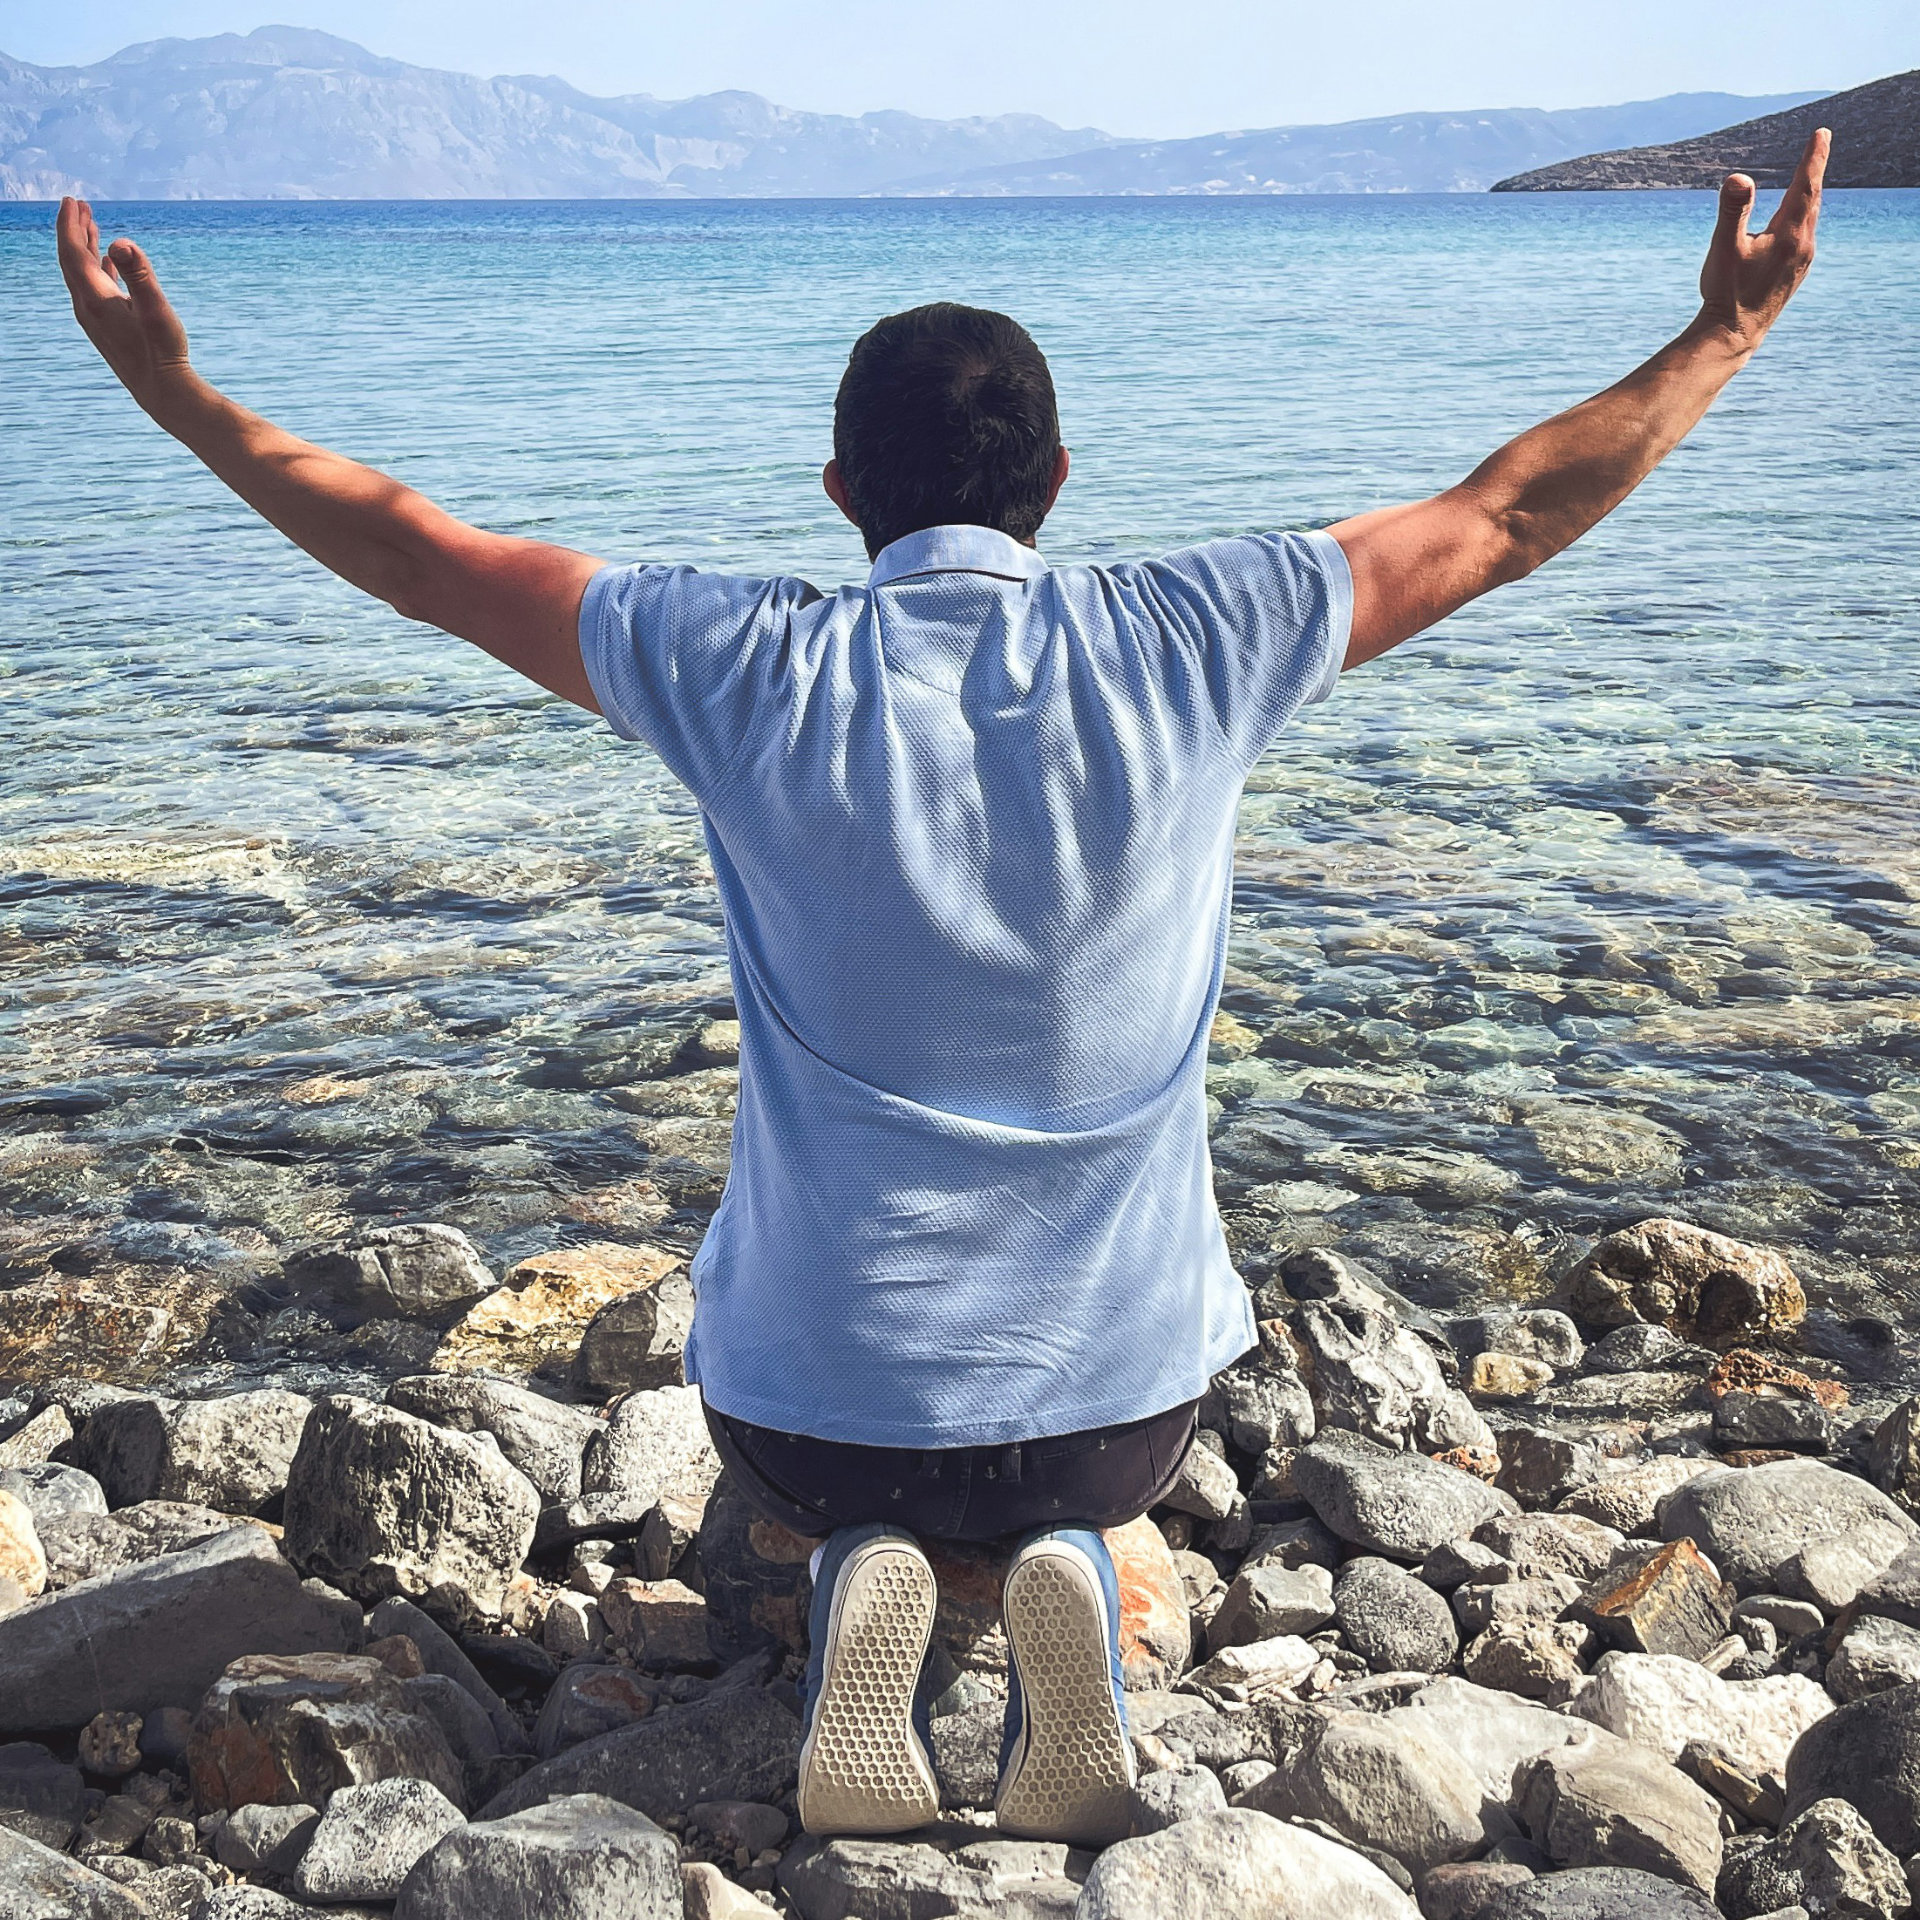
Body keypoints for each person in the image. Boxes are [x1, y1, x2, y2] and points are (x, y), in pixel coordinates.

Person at [54, 129, 1827, 1846]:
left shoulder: (738, 665)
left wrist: (177, 399)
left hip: (810, 1416)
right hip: (1121, 1411)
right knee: (1096, 1479)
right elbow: (1507, 513)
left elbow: (417, 553)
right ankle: (1063, 1564)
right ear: (1056, 482)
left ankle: (860, 1570)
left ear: (842, 494)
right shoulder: (1198, 638)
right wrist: (1726, 332)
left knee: (795, 1486)